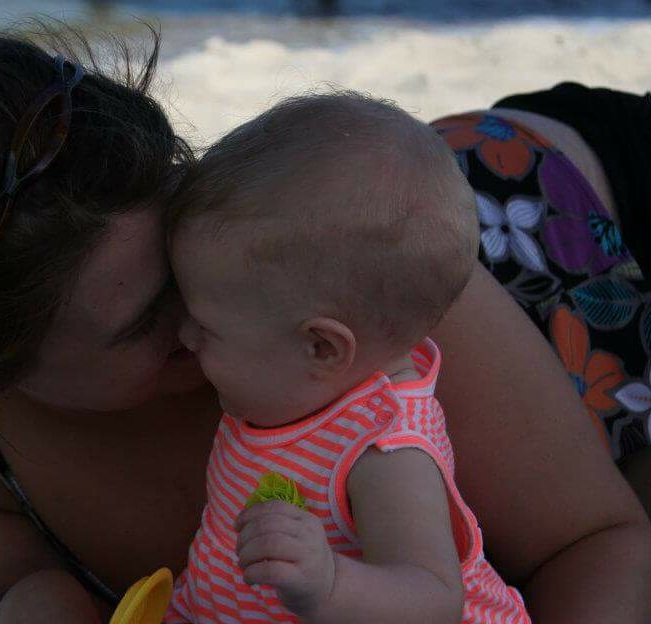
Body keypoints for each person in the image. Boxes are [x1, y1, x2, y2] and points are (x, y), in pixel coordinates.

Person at [0, 25, 649, 623]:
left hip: (558, 209)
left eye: (180, 223)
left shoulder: (342, 292)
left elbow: (597, 544)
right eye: (146, 317)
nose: (203, 309)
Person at [160, 92, 527, 623]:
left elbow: (432, 600)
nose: (185, 336)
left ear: (321, 347)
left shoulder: (384, 450)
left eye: (206, 326)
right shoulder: (291, 390)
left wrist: (328, 583)